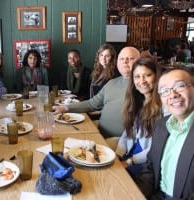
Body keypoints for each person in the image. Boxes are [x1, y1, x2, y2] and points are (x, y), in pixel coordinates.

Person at [53, 47, 141, 145]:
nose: (125, 61)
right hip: (98, 129)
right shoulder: (112, 83)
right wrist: (64, 108)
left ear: (140, 62)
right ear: (117, 62)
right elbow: (92, 103)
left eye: (130, 58)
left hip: (120, 140)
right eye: (122, 59)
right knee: (61, 136)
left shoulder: (142, 86)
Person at [136, 68, 194, 199]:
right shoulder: (162, 125)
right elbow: (150, 168)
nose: (172, 95)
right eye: (165, 91)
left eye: (180, 86)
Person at [115, 58, 162, 179]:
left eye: (147, 75)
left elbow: (157, 148)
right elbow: (127, 133)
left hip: (146, 162)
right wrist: (117, 156)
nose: (142, 81)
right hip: (130, 153)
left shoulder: (164, 106)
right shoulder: (137, 101)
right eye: (137, 76)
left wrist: (128, 162)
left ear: (157, 77)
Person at [88, 44, 119, 120]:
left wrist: (99, 112)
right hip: (94, 108)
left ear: (112, 57)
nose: (103, 58)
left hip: (105, 114)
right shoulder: (97, 71)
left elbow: (115, 100)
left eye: (107, 56)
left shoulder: (115, 74)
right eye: (101, 55)